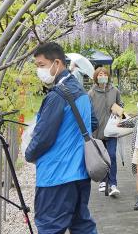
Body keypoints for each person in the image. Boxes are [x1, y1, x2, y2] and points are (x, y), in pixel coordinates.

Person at [25, 42, 98, 234]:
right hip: (81, 173)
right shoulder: (80, 90)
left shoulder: (57, 96)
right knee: (82, 225)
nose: (39, 70)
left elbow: (43, 138)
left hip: (56, 176)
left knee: (50, 227)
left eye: (41, 65)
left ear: (56, 63)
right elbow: (94, 122)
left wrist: (28, 153)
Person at [89, 66, 124, 197]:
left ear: (108, 76)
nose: (102, 76)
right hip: (97, 131)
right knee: (102, 158)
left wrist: (118, 109)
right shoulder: (91, 93)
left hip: (112, 130)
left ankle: (113, 183)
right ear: (96, 77)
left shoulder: (114, 91)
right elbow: (88, 112)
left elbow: (121, 105)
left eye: (104, 74)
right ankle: (103, 181)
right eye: (100, 74)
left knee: (112, 156)